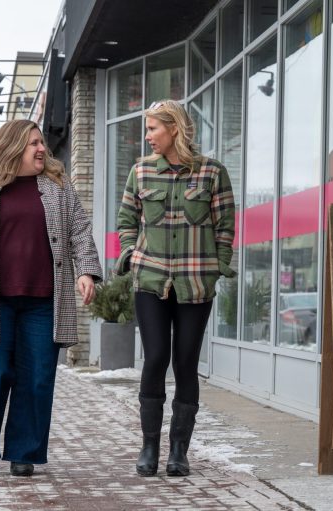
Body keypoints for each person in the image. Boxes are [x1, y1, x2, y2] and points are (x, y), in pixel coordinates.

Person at [0, 119, 102, 477]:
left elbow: (79, 230)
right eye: (33, 143)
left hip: (43, 300)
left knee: (36, 377)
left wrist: (85, 270)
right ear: (14, 146)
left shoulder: (57, 187)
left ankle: (24, 452)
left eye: (42, 143)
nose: (41, 149)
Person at [115, 99, 236, 477]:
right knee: (154, 359)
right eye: (147, 129)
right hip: (150, 279)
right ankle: (149, 446)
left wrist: (215, 269)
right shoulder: (141, 171)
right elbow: (126, 219)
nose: (148, 136)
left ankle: (178, 452)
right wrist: (131, 252)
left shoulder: (213, 173)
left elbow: (225, 228)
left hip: (196, 283)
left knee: (185, 362)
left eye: (153, 129)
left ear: (174, 129)